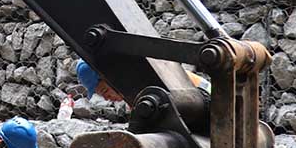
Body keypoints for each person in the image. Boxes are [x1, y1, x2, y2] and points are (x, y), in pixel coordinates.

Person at [75, 59, 207, 103]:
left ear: (111, 77)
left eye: (104, 91)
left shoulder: (157, 82)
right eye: (101, 95)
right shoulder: (137, 95)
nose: (106, 98)